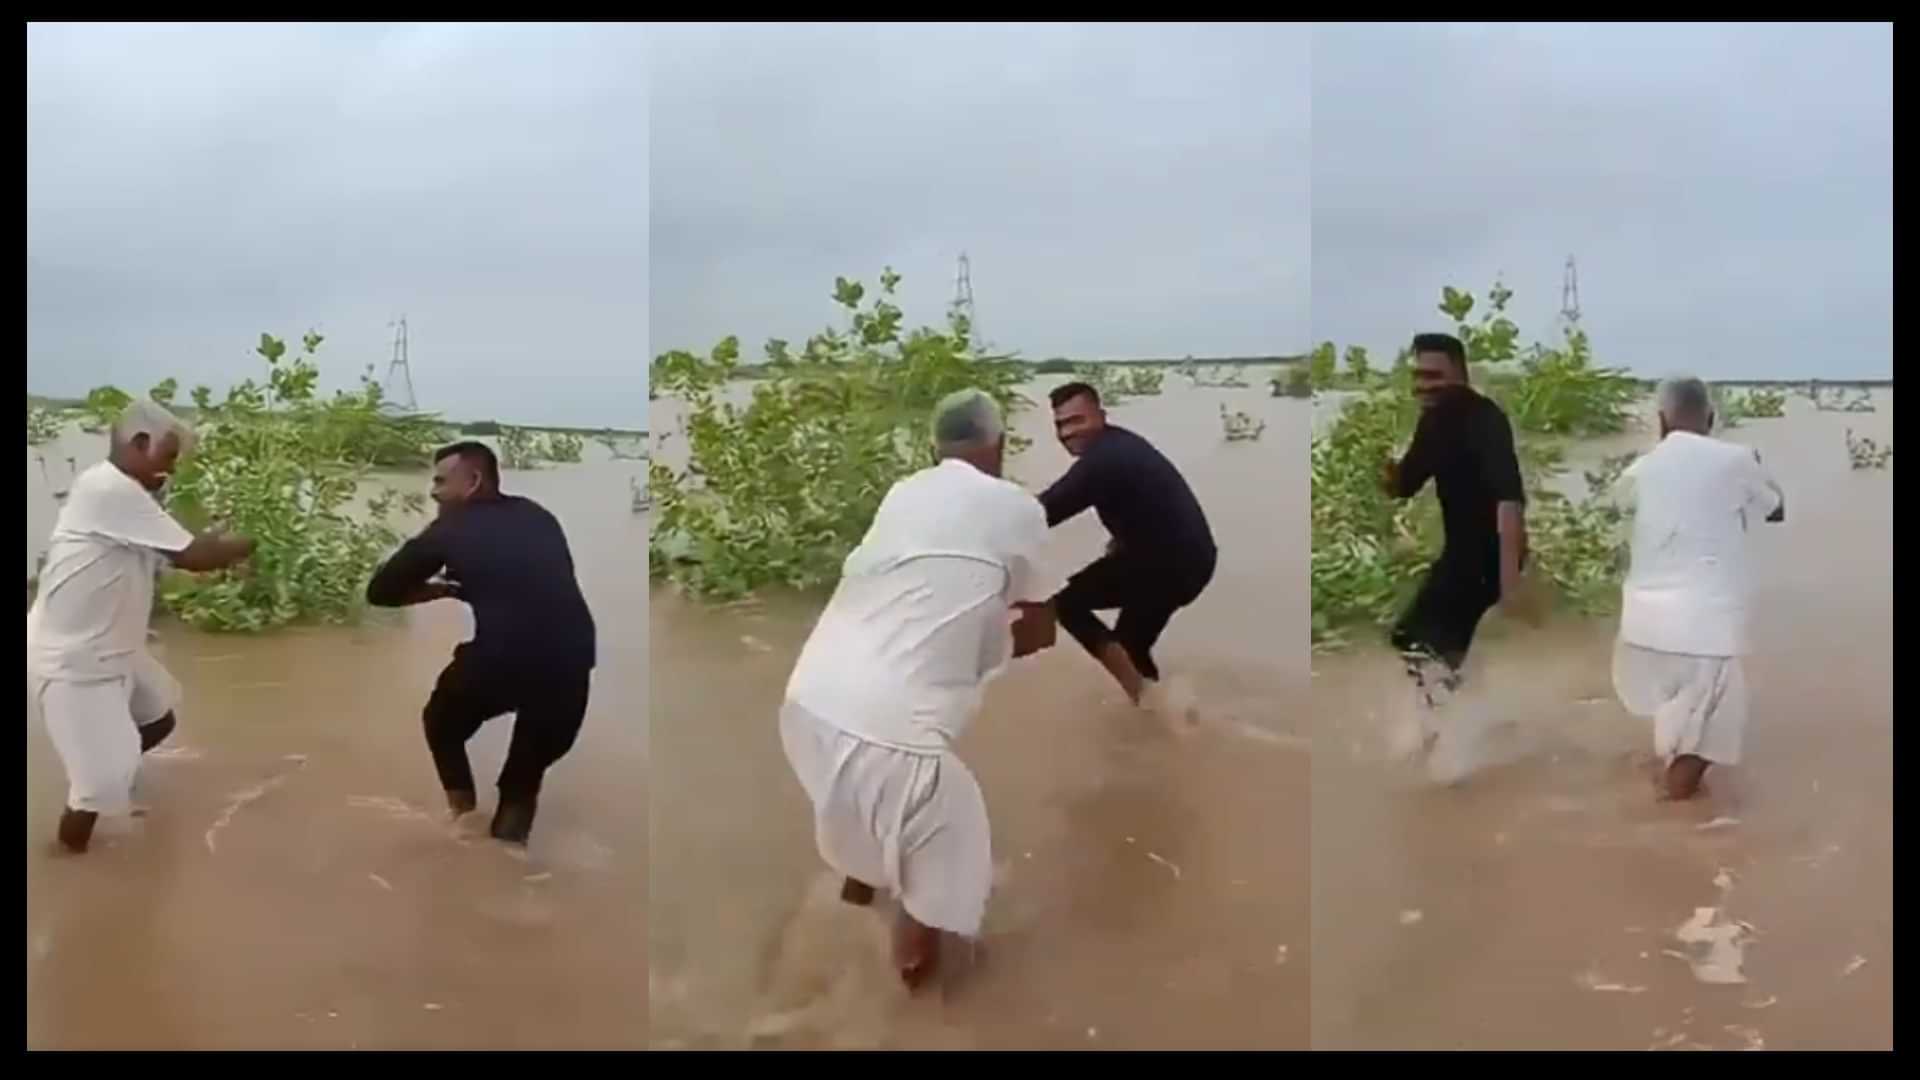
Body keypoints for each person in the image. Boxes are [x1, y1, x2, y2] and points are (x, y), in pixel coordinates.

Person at [779, 389, 1055, 990]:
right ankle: (905, 1004)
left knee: (866, 819)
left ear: (935, 448)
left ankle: (844, 921)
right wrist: (994, 635)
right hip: (893, 728)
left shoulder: (903, 494)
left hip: (808, 702)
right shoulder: (1019, 508)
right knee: (945, 862)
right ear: (1000, 444)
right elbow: (1041, 631)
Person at [27, 401, 255, 854]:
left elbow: (176, 550)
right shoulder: (109, 490)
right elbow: (193, 557)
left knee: (157, 717)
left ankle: (116, 767)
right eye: (167, 457)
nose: (171, 469)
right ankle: (67, 855)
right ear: (139, 443)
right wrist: (248, 545)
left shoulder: (127, 495)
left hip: (116, 649)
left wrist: (211, 542)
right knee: (97, 784)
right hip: (72, 661)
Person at [366, 440, 597, 845]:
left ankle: (461, 819)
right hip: (573, 659)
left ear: (472, 481)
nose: (433, 491)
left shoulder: (449, 529)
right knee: (523, 780)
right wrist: (465, 586)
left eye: (441, 481)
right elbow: (527, 583)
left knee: (441, 724)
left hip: (503, 659)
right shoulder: (538, 516)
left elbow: (381, 591)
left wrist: (437, 590)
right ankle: (508, 863)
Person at [1609, 376, 1784, 801]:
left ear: (1661, 421)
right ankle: (1670, 834)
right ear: (1710, 416)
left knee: (1676, 720)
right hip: (1704, 624)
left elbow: (1620, 507)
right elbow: (1776, 508)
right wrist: (1758, 469)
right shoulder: (1737, 459)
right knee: (1708, 739)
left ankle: (1663, 801)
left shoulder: (1641, 467)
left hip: (1641, 626)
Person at [1381, 332, 1535, 739]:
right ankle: (1466, 723)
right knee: (1418, 643)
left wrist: (1510, 584)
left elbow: (1510, 502)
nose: (1423, 386)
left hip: (1490, 555)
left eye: (1434, 376)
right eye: (1417, 376)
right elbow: (1404, 485)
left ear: (1460, 375)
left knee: (1420, 644)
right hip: (1462, 555)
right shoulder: (1434, 420)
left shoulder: (1485, 420)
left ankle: (1451, 739)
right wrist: (1388, 465)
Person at [1038, 381, 1216, 708]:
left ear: (1101, 416)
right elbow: (1147, 502)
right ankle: (1162, 711)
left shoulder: (1102, 461)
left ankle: (1144, 699)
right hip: (1187, 558)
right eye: (1060, 425)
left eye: (1077, 420)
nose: (1067, 432)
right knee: (1132, 644)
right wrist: (1122, 541)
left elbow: (1040, 514)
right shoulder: (1119, 446)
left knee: (1067, 604)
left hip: (1169, 564)